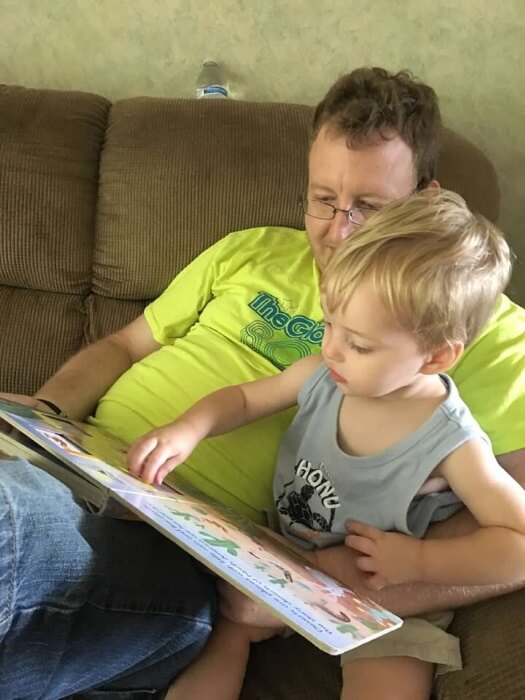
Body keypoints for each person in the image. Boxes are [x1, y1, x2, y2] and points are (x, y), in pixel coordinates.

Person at [1, 67, 524, 698]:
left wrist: (327, 581)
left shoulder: (479, 326)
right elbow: (124, 345)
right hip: (75, 463)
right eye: (323, 200)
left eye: (370, 208)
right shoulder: (248, 251)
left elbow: (511, 532)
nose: (339, 231)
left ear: (423, 199)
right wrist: (46, 413)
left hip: (184, 541)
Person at [125, 190, 525, 700]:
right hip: (284, 556)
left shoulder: (452, 440)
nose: (331, 346)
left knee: (391, 669)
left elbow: (518, 543)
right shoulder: (326, 372)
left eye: (358, 342)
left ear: (435, 357)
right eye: (330, 321)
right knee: (223, 629)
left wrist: (422, 564)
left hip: (378, 594)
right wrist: (188, 428)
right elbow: (246, 399)